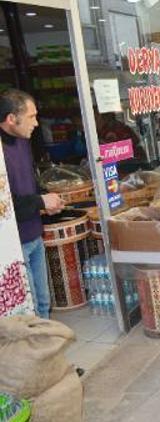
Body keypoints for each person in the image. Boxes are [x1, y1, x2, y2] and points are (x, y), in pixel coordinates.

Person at [0, 89, 65, 318]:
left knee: (44, 303)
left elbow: (29, 183)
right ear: (11, 118)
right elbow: (4, 206)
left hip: (34, 234)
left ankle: (45, 351)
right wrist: (40, 201)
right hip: (14, 245)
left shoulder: (22, 142)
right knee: (31, 309)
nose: (36, 123)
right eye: (31, 117)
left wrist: (47, 199)